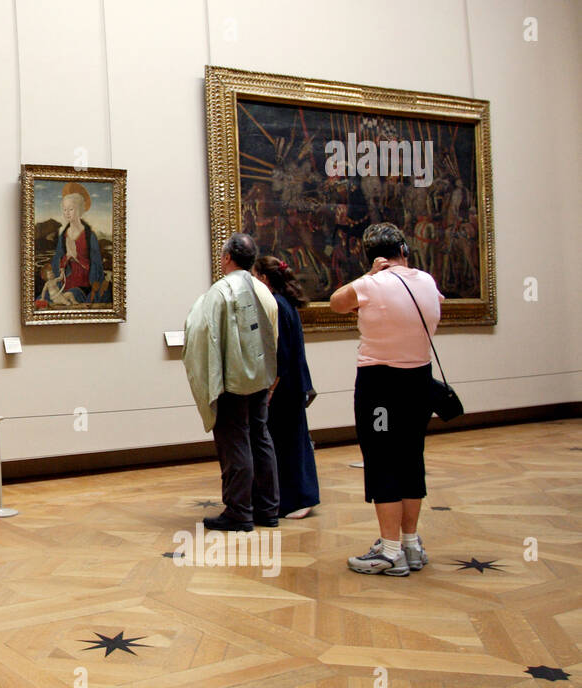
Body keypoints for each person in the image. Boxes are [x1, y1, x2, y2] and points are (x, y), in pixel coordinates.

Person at [330, 223, 442, 576]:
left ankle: (390, 551)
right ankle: (409, 543)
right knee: (411, 457)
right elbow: (437, 304)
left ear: (374, 257)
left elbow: (336, 303)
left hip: (380, 384)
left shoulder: (370, 284)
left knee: (381, 459)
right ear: (405, 250)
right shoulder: (426, 281)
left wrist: (370, 275)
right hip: (419, 381)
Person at [183, 232, 280, 531]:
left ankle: (239, 511)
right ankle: (268, 508)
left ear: (226, 257)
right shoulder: (263, 291)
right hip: (261, 379)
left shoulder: (220, 291)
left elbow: (202, 332)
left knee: (235, 441)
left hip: (232, 381)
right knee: (261, 438)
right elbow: (272, 337)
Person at [253, 256, 320, 519]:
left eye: (256, 276)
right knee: (294, 440)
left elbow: (280, 353)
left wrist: (270, 390)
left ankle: (297, 499)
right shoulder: (285, 303)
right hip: (294, 383)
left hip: (285, 386)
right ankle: (298, 497)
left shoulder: (277, 306)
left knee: (287, 443)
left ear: (265, 279)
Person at [50, 183, 106, 303]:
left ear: (80, 210)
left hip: (84, 284)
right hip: (65, 283)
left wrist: (77, 257)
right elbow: (57, 261)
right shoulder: (63, 236)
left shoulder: (89, 236)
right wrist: (66, 258)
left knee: (70, 296)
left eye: (71, 209)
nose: (67, 213)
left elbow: (96, 266)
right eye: (64, 210)